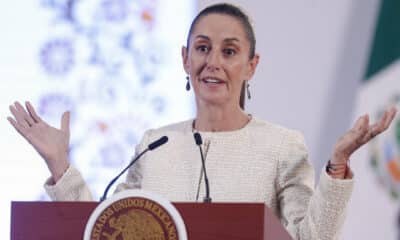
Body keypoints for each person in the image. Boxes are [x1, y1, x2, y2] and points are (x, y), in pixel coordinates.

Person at [7, 3, 397, 240]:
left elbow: (311, 238)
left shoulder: (281, 146)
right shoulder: (154, 144)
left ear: (251, 66)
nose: (213, 62)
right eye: (203, 48)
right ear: (184, 58)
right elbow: (108, 228)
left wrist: (337, 166)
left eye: (229, 51)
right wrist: (60, 165)